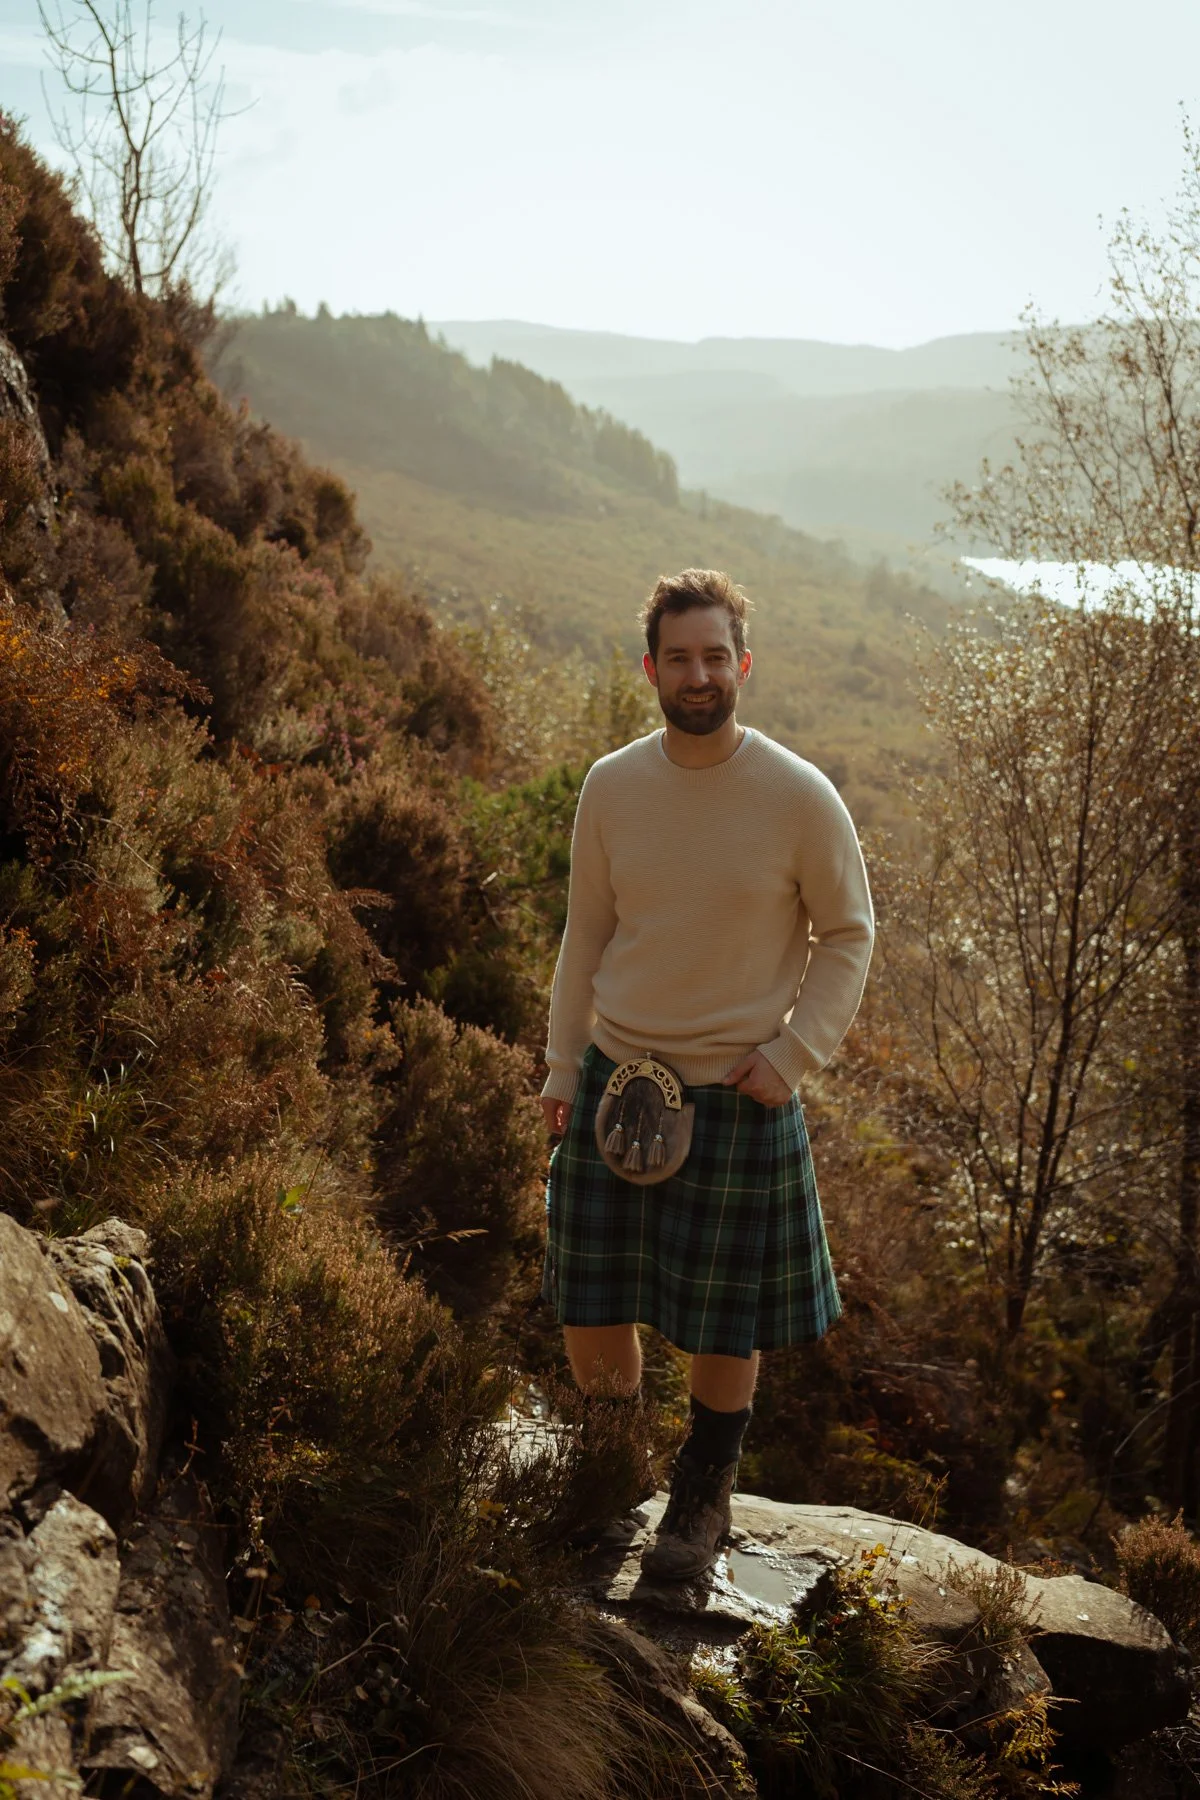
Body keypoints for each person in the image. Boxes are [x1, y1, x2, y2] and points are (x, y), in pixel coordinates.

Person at [539, 567, 874, 1579]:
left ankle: (701, 1496)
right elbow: (584, 935)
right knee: (592, 1305)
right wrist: (563, 1066)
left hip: (737, 1092)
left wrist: (792, 1054)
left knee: (722, 1317)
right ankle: (613, 1467)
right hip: (613, 1082)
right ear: (651, 668)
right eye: (679, 657)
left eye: (715, 655)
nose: (698, 673)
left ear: (743, 664)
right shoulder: (611, 786)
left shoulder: (797, 795)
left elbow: (850, 934)